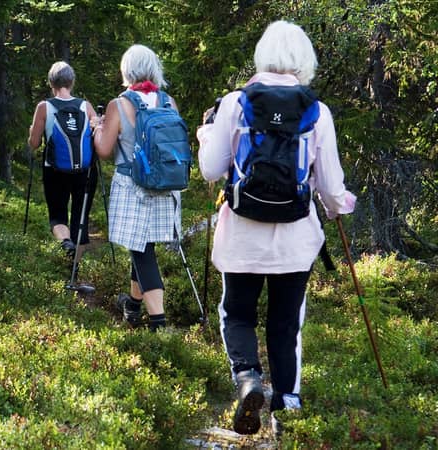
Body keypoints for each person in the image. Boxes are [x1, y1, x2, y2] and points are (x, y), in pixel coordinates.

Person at [197, 20, 356, 436]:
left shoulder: (235, 103)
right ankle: (287, 406)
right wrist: (341, 206)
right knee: (286, 323)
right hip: (295, 239)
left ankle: (249, 378)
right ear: (305, 61)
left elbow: (211, 170)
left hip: (242, 235)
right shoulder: (317, 112)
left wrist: (206, 133)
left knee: (237, 313)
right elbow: (331, 187)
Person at [93, 44, 182, 332]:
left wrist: (97, 129)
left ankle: (159, 323)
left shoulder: (119, 104)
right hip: (166, 188)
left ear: (126, 70)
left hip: (134, 187)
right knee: (142, 245)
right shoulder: (169, 102)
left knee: (142, 253)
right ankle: (132, 305)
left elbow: (105, 150)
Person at [28, 61, 98, 259]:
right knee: (80, 217)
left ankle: (65, 243)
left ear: (51, 82)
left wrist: (31, 133)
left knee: (58, 215)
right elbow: (96, 133)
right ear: (72, 81)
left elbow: (34, 144)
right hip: (85, 171)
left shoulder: (44, 107)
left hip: (54, 171)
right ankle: (75, 272)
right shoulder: (85, 106)